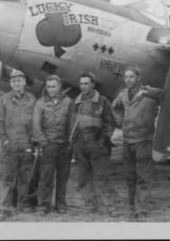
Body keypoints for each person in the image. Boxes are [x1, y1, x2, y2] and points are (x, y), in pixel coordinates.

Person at [112, 66, 163, 222]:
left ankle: (140, 209)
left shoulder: (150, 94)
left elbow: (167, 95)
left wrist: (149, 91)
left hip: (143, 140)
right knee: (130, 175)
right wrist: (121, 122)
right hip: (127, 141)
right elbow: (115, 108)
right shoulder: (122, 95)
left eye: (131, 77)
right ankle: (133, 203)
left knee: (143, 176)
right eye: (126, 77)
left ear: (138, 78)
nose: (128, 80)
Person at [68, 72, 116, 215]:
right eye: (81, 84)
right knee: (83, 178)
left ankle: (108, 207)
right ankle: (91, 207)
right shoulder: (75, 102)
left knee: (102, 177)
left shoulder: (102, 101)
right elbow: (70, 123)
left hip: (97, 144)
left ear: (93, 84)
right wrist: (73, 141)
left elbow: (110, 123)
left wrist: (102, 141)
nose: (83, 86)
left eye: (86, 83)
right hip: (80, 145)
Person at [0, 69, 36, 221]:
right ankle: (5, 208)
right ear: (10, 83)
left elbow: (35, 123)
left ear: (24, 81)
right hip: (10, 146)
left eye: (19, 80)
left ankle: (23, 204)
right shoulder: (4, 99)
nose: (17, 83)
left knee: (26, 178)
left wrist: (33, 143)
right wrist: (5, 141)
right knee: (8, 179)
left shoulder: (32, 99)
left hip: (27, 146)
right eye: (14, 81)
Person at [32, 75, 72, 215]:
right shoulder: (40, 103)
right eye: (48, 87)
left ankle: (61, 204)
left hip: (64, 146)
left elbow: (72, 124)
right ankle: (43, 205)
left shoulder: (68, 102)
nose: (51, 89)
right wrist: (44, 143)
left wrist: (69, 143)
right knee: (46, 177)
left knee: (63, 177)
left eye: (53, 86)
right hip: (48, 146)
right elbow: (36, 126)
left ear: (59, 86)